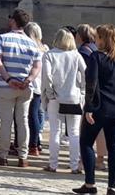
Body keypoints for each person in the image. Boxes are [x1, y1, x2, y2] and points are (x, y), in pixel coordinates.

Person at [73, 24, 115, 195]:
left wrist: (89, 107)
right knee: (114, 148)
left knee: (86, 143)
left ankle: (90, 184)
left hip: (99, 107)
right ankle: (112, 187)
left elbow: (92, 83)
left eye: (97, 37)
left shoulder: (96, 57)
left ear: (102, 39)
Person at [0, 8, 41, 168]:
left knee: (6, 122)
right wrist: (28, 80)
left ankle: (3, 155)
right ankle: (23, 157)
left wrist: (8, 78)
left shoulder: (3, 38)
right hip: (25, 87)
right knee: (23, 122)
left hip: (7, 85)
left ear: (13, 21)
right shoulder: (32, 43)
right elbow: (37, 65)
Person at [41, 28, 87, 173]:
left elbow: (47, 76)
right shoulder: (76, 55)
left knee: (55, 131)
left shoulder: (49, 55)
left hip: (55, 97)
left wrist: (49, 93)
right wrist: (83, 91)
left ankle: (53, 164)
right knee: (74, 132)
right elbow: (86, 73)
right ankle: (74, 165)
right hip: (74, 97)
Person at [76, 23, 106, 170]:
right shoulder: (97, 50)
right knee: (100, 129)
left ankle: (83, 160)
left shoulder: (82, 51)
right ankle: (100, 159)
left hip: (88, 93)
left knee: (85, 129)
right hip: (102, 94)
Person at [24, 22, 48, 157]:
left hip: (31, 84)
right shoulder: (45, 48)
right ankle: (37, 141)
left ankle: (33, 143)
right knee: (38, 115)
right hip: (41, 86)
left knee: (30, 116)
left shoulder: (31, 48)